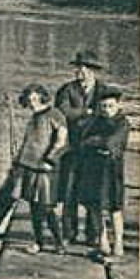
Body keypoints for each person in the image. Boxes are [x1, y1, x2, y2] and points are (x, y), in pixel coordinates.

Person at [55, 50, 106, 243]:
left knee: (93, 194)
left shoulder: (103, 91)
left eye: (85, 68)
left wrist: (83, 117)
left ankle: (94, 235)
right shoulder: (66, 90)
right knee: (69, 192)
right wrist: (87, 112)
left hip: (94, 152)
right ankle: (69, 234)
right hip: (72, 149)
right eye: (79, 67)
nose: (81, 71)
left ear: (93, 71)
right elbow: (63, 111)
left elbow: (107, 115)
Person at [11, 85, 68, 254]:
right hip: (29, 167)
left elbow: (62, 140)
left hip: (45, 169)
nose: (32, 103)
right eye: (29, 100)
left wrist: (50, 159)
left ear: (42, 98)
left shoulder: (55, 115)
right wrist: (18, 162)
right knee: (34, 208)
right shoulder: (33, 118)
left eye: (35, 99)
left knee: (47, 207)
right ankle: (39, 242)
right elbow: (28, 142)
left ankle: (59, 243)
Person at [76, 86, 130, 261]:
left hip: (112, 171)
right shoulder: (96, 121)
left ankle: (119, 243)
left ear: (118, 106)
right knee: (94, 206)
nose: (107, 110)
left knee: (114, 207)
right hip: (94, 170)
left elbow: (110, 143)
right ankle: (103, 242)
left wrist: (95, 141)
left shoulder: (123, 123)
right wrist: (94, 142)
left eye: (110, 106)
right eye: (104, 106)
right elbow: (82, 141)